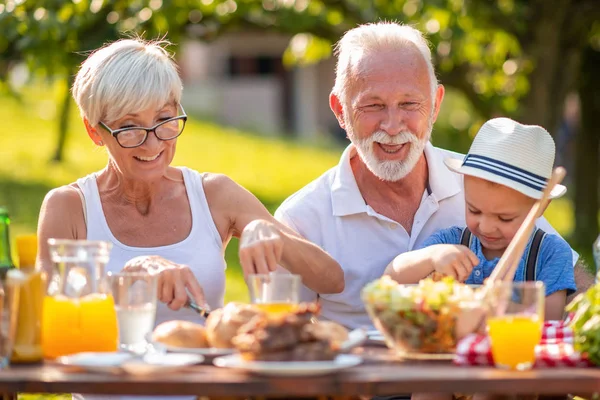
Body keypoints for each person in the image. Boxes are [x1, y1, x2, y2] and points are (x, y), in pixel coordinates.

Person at [275, 22, 583, 330]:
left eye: (409, 104)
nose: (393, 126)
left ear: (435, 105)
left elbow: (578, 290)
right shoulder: (301, 218)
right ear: (340, 111)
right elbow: (283, 336)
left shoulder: (490, 181)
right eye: (373, 105)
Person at [37, 37, 344, 328]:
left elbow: (331, 280)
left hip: (203, 381)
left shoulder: (215, 195)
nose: (152, 144)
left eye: (164, 119)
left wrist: (270, 233)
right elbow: (42, 319)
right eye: (129, 127)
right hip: (106, 383)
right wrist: (133, 277)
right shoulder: (70, 207)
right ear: (95, 132)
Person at [384, 117, 576, 321]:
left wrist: (486, 305)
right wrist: (431, 256)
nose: (486, 227)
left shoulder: (549, 253)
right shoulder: (451, 243)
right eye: (474, 211)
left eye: (504, 218)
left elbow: (550, 317)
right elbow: (390, 279)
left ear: (541, 206)